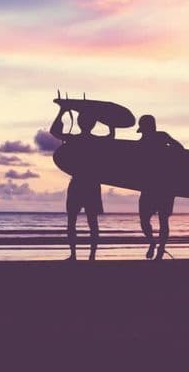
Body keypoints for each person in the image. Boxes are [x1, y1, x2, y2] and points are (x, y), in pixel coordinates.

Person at [50, 107, 113, 261]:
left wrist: (62, 112)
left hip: (78, 183)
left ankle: (74, 255)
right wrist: (111, 121)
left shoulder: (74, 139)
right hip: (91, 184)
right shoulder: (96, 141)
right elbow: (111, 136)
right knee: (92, 222)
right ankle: (91, 256)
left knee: (73, 221)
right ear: (93, 124)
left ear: (79, 123)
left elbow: (54, 131)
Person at [136, 114, 183, 260]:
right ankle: (152, 243)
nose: (143, 132)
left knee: (163, 220)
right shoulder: (139, 144)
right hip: (150, 186)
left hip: (165, 186)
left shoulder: (163, 137)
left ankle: (161, 250)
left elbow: (180, 149)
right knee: (144, 220)